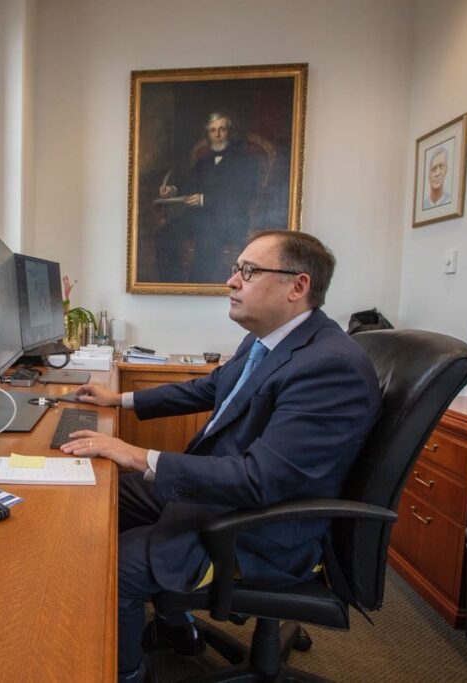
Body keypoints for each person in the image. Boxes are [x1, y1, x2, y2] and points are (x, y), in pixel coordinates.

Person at [60, 230, 382, 680]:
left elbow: (259, 479)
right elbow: (211, 387)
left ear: (298, 286)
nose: (232, 280)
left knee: (113, 564)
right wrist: (122, 402)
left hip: (263, 530)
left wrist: (137, 455)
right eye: (236, 269)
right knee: (99, 496)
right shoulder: (269, 339)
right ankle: (178, 625)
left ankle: (128, 673)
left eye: (248, 271)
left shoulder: (330, 367)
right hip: (221, 496)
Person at [157, 112, 262, 283]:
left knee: (205, 237)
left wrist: (205, 200)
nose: (218, 135)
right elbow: (190, 186)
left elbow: (241, 196)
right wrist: (173, 190)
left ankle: (196, 287)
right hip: (199, 219)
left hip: (227, 221)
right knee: (164, 234)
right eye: (213, 131)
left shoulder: (245, 160)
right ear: (208, 134)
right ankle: (170, 285)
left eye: (222, 129)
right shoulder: (204, 161)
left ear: (230, 132)